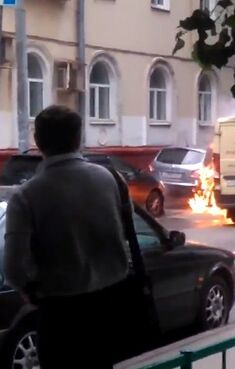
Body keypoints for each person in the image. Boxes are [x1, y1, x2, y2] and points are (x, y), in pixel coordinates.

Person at [3, 105, 132, 368]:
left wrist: (31, 291)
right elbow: (125, 236)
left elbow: (13, 267)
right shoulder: (111, 179)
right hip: (109, 308)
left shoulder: (27, 196)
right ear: (78, 137)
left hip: (60, 316)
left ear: (37, 141)